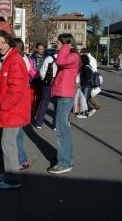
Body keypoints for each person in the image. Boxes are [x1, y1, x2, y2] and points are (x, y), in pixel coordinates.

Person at [0, 31, 30, 189]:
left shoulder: (14, 60)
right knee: (7, 144)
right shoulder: (8, 59)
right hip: (10, 111)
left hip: (12, 112)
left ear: (10, 42)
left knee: (8, 145)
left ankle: (13, 179)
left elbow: (16, 91)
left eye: (3, 42)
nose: (0, 46)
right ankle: (9, 173)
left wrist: (3, 106)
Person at [48, 33, 80, 174]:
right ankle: (68, 158)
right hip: (62, 95)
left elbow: (59, 62)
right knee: (63, 130)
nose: (57, 45)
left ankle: (64, 162)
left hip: (65, 96)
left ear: (67, 44)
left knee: (62, 131)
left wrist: (66, 46)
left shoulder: (73, 56)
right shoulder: (70, 56)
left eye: (59, 43)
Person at [34, 44, 59, 130]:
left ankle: (39, 123)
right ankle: (55, 125)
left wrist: (44, 79)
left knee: (44, 103)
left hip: (48, 83)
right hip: (59, 85)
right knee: (57, 105)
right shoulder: (66, 59)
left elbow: (42, 72)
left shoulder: (49, 59)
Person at [14, 38, 30, 170]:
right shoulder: (24, 60)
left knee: (16, 134)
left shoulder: (18, 61)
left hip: (17, 102)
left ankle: (21, 159)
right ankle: (22, 159)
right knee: (18, 133)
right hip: (23, 100)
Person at [28, 43, 46, 115]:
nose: (42, 50)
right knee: (31, 99)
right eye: (40, 49)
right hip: (33, 81)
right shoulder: (31, 58)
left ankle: (37, 114)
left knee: (40, 99)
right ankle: (28, 114)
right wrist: (38, 75)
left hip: (42, 81)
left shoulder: (46, 57)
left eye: (43, 49)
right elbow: (30, 69)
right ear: (36, 49)